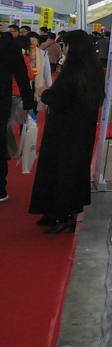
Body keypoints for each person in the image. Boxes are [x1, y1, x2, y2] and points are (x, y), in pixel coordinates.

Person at [29, 31, 105, 233]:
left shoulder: (73, 70)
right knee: (72, 170)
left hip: (64, 130)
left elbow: (60, 99)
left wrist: (44, 93)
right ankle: (58, 212)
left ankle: (62, 215)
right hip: (82, 129)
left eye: (65, 44)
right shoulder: (94, 68)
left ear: (71, 47)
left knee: (59, 170)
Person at [0, 31, 35, 203]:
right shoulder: (8, 43)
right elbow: (22, 73)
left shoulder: (7, 42)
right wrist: (29, 103)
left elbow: (22, 73)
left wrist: (28, 102)